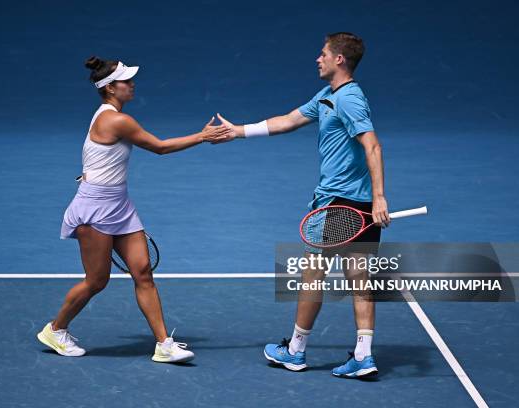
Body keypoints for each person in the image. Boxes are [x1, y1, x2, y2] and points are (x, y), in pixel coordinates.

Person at [216, 33, 390, 377]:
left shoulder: (348, 100)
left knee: (313, 276)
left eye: (323, 53)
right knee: (360, 280)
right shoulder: (328, 96)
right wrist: (239, 131)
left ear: (339, 59)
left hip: (338, 203)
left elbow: (373, 146)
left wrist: (381, 195)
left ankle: (295, 350)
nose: (317, 59)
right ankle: (364, 356)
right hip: (361, 205)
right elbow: (288, 120)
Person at [37, 56, 230, 363]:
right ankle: (55, 329)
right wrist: (202, 136)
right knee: (96, 281)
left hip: (120, 205)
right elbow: (160, 147)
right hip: (94, 208)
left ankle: (164, 343)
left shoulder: (113, 114)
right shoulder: (115, 119)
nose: (132, 84)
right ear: (111, 88)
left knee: (143, 272)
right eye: (126, 81)